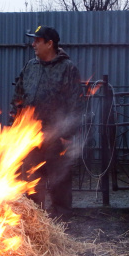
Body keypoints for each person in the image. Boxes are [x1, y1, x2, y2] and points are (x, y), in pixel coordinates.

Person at [10, 25, 83, 219]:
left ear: (49, 44)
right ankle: (35, 222)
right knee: (32, 180)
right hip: (30, 135)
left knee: (60, 181)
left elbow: (76, 105)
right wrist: (13, 126)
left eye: (37, 40)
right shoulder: (30, 67)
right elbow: (18, 96)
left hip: (56, 136)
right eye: (33, 40)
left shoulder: (68, 69)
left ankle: (62, 222)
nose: (33, 44)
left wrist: (67, 135)